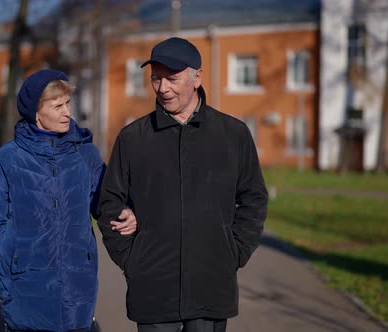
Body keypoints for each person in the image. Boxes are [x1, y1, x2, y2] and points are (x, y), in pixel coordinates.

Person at [97, 37, 269, 332]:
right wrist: (132, 260)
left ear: (197, 77)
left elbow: (254, 198)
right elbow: (108, 204)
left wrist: (234, 252)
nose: (163, 88)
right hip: (152, 289)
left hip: (211, 286)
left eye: (172, 79)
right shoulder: (132, 138)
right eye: (156, 79)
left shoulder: (233, 134)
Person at [0, 69, 137, 332]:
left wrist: (125, 211)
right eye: (57, 105)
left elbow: (106, 201)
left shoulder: (85, 153)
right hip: (24, 279)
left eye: (68, 103)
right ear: (36, 113)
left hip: (76, 276)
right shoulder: (8, 158)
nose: (66, 112)